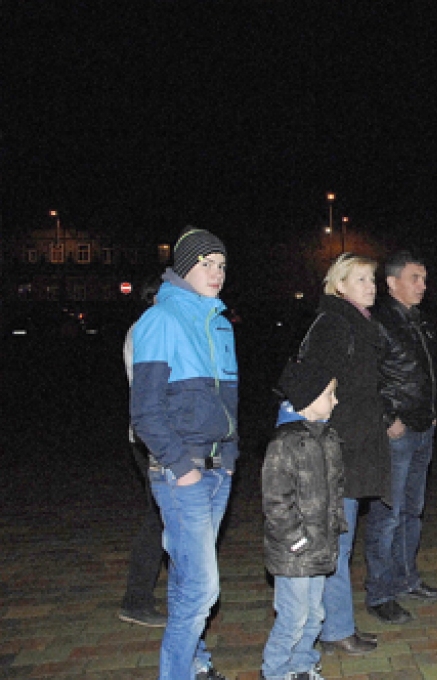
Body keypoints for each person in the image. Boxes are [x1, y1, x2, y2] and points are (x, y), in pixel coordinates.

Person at [131, 227, 238, 680]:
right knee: (201, 589)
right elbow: (145, 412)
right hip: (185, 474)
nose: (215, 274)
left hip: (219, 472)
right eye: (205, 264)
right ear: (184, 267)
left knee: (185, 579)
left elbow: (227, 405)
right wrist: (181, 468)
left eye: (221, 266)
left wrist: (229, 460)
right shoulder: (161, 319)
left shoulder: (220, 323)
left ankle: (195, 661)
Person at [308, 253, 389, 656]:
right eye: (360, 279)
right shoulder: (336, 325)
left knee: (341, 539)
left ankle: (336, 625)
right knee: (337, 541)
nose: (370, 286)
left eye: (372, 279)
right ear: (339, 284)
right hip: (340, 448)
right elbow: (316, 387)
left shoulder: (359, 324)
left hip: (354, 447)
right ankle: (335, 629)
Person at [364, 252, 437, 625]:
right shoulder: (379, 321)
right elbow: (365, 377)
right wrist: (388, 419)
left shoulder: (419, 321)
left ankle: (406, 578)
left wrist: (430, 413)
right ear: (392, 282)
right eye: (415, 278)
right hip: (397, 433)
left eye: (425, 279)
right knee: (388, 514)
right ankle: (380, 592)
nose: (423, 286)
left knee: (412, 511)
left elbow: (426, 372)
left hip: (422, 428)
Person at [261, 357, 345, 680]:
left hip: (319, 545)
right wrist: (296, 539)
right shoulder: (284, 443)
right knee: (293, 616)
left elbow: (335, 488)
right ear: (308, 399)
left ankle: (301, 666)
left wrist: (336, 524)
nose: (335, 401)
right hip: (294, 551)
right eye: (330, 394)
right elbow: (276, 500)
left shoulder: (328, 437)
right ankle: (274, 670)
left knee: (314, 614)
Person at [119, 276, 167, 628]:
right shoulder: (148, 329)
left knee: (163, 516)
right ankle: (136, 599)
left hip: (153, 435)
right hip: (152, 436)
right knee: (160, 517)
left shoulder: (151, 326)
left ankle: (140, 596)